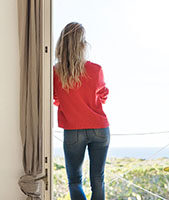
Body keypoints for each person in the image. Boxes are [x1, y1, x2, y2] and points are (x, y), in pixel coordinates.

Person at [53, 22, 110, 200]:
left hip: (73, 131)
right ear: (82, 44)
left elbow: (56, 98)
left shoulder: (56, 72)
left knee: (75, 181)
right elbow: (103, 96)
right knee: (98, 179)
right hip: (100, 129)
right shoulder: (96, 69)